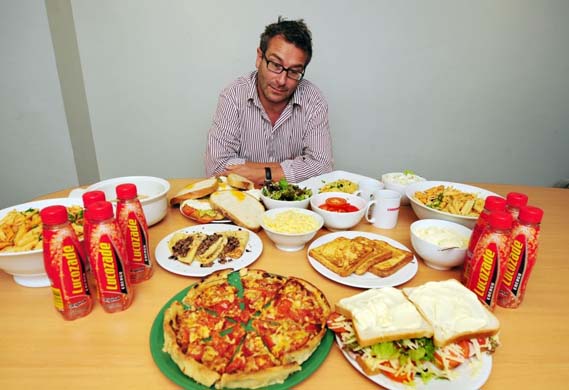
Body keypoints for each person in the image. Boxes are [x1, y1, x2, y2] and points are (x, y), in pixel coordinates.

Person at [204, 17, 333, 186]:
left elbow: (323, 168)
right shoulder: (233, 95)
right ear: (259, 58)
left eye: (294, 71)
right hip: (243, 200)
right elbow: (217, 167)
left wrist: (262, 173)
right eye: (275, 64)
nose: (281, 80)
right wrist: (294, 168)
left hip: (292, 205)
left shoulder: (313, 100)